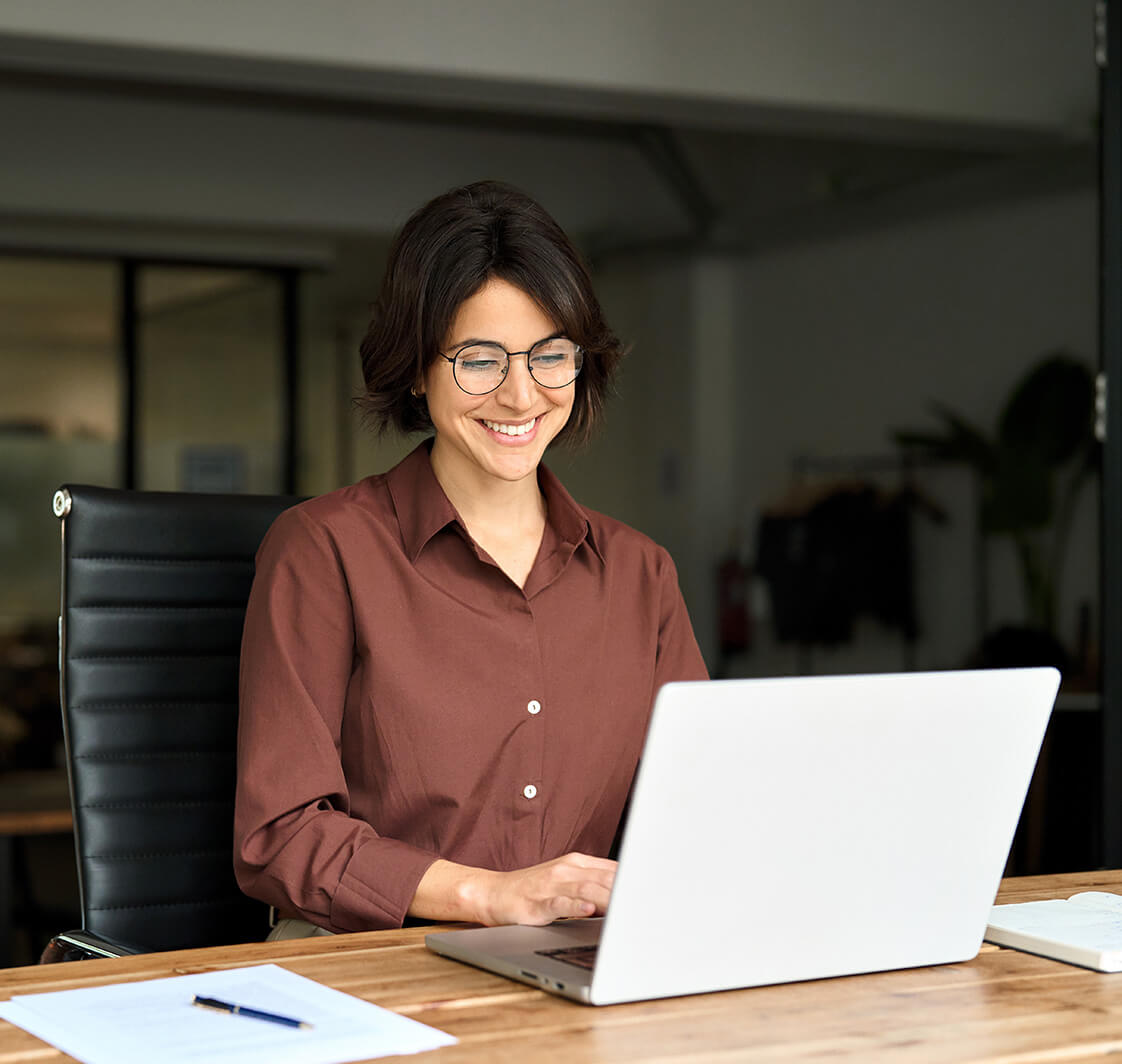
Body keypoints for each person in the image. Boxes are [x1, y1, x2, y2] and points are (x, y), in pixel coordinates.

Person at [234, 180, 708, 939]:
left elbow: (701, 809)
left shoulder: (640, 573)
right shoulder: (324, 551)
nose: (522, 396)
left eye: (551, 356)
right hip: (369, 968)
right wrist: (489, 896)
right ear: (417, 368)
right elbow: (279, 837)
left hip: (574, 965)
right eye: (480, 360)